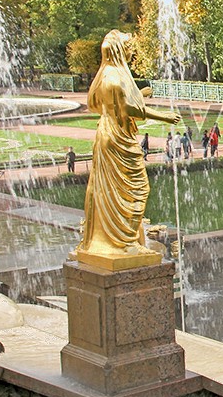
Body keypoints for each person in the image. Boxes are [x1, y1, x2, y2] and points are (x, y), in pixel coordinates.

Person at [72, 30, 181, 265]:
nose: (132, 51)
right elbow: (128, 110)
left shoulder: (105, 75)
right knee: (138, 189)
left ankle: (115, 240)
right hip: (118, 139)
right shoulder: (115, 78)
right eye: (129, 47)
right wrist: (164, 116)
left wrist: (139, 95)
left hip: (108, 135)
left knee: (111, 190)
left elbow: (106, 105)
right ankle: (127, 243)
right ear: (120, 49)